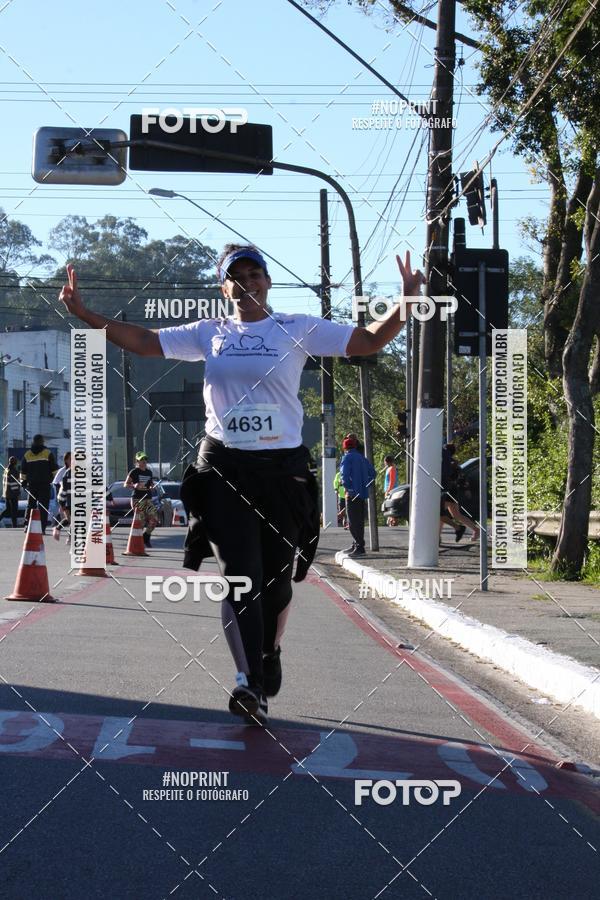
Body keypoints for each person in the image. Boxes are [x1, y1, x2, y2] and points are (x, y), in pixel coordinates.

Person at [59, 247, 424, 724]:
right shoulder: (209, 332)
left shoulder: (296, 328)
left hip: (282, 471)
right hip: (223, 468)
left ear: (268, 282)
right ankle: (247, 681)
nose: (247, 282)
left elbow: (369, 340)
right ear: (224, 288)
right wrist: (86, 315)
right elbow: (145, 341)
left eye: (255, 274)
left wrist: (406, 302)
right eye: (237, 276)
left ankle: (269, 652)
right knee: (240, 576)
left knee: (275, 582)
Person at [339, 436, 376, 558]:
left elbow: (344, 476)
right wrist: (365, 485)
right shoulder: (362, 458)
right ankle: (356, 544)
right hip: (362, 494)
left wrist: (349, 488)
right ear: (354, 446)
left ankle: (359, 547)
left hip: (352, 495)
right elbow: (373, 474)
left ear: (345, 448)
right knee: (359, 521)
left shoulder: (346, 458)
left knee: (352, 522)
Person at [439, 443, 479, 543]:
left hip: (448, 491)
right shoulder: (454, 463)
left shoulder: (448, 462)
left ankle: (438, 537)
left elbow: (451, 476)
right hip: (453, 491)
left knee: (440, 514)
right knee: (456, 515)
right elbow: (462, 477)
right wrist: (466, 489)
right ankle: (476, 530)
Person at [20, 435, 58, 534]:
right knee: (43, 507)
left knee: (30, 506)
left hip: (32, 485)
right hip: (45, 485)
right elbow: (54, 470)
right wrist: (55, 482)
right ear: (42, 442)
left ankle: (27, 526)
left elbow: (23, 471)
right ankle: (42, 528)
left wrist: (23, 482)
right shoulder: (48, 453)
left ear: (33, 442)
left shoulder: (27, 454)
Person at [124, 451, 158, 547]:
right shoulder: (134, 472)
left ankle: (146, 537)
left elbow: (150, 484)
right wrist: (134, 485)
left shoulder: (149, 472)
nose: (144, 461)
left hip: (148, 499)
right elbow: (125, 484)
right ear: (137, 461)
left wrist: (152, 486)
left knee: (154, 519)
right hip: (137, 499)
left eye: (145, 459)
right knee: (141, 522)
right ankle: (135, 543)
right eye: (142, 459)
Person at [52, 454, 72, 543]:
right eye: (70, 459)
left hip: (73, 499)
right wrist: (60, 502)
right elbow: (56, 483)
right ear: (66, 460)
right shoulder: (63, 471)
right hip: (64, 499)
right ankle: (58, 529)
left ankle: (70, 538)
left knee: (72, 520)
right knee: (70, 520)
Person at [0, 457, 21, 528]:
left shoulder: (6, 470)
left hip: (6, 494)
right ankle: (14, 526)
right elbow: (16, 483)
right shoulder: (15, 471)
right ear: (15, 463)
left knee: (8, 510)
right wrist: (18, 492)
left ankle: (14, 525)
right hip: (13, 494)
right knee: (14, 510)